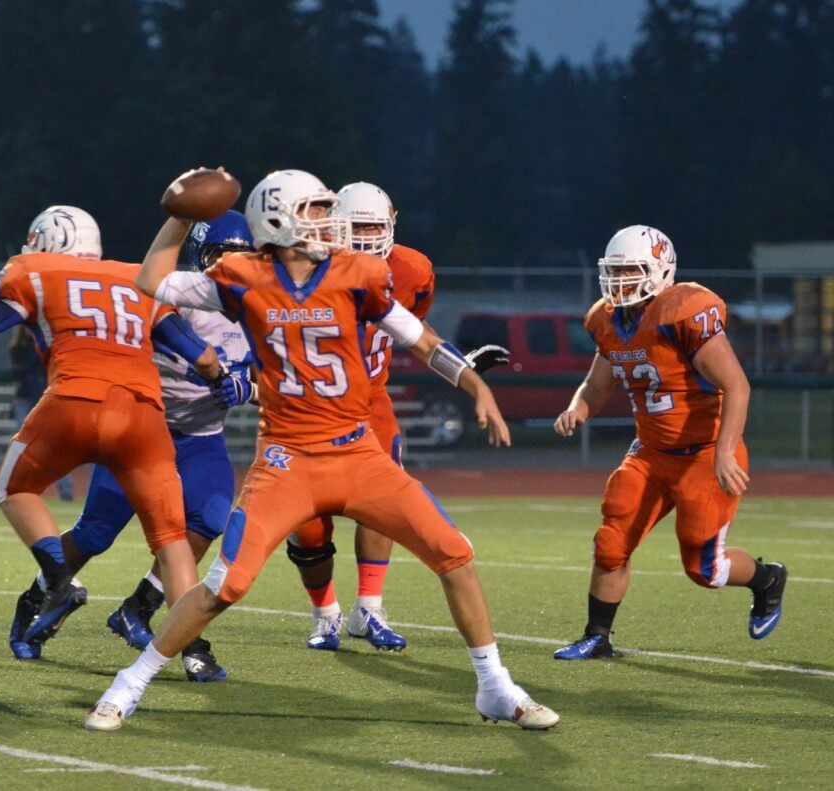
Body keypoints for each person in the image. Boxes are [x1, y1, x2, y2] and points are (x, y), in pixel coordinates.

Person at [85, 168, 559, 731]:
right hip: (288, 460)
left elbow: (422, 340)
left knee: (454, 553)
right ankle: (129, 682)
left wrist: (473, 382)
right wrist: (181, 214)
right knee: (224, 586)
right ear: (280, 219)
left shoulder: (360, 273)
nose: (328, 222)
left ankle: (495, 687)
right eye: (315, 210)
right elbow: (153, 280)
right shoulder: (242, 276)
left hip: (358, 453)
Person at [0, 205, 219, 643]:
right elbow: (203, 356)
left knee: (13, 488)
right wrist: (225, 380)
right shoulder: (139, 278)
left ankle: (59, 582)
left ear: (48, 240)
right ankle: (191, 645)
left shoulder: (34, 270)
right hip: (143, 415)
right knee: (171, 537)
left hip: (74, 401)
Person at [8, 211, 256, 684]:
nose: (231, 267)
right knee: (97, 532)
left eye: (242, 257)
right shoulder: (174, 294)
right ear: (200, 258)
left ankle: (146, 614)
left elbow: (283, 378)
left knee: (207, 520)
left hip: (201, 438)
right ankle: (39, 595)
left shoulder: (265, 307)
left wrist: (251, 389)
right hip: (145, 431)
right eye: (222, 256)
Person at [552, 225, 787, 660]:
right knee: (611, 542)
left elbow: (737, 386)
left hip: (703, 452)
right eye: (615, 271)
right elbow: (596, 385)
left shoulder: (683, 312)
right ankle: (597, 636)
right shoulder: (606, 320)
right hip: (650, 453)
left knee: (706, 570)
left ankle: (767, 579)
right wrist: (578, 408)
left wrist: (722, 450)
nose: (619, 282)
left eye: (632, 271)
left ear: (660, 272)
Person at [9, 325, 73, 501]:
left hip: (45, 397)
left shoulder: (48, 343)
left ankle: (65, 490)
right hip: (28, 396)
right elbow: (19, 372)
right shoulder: (20, 345)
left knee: (54, 447)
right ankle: (19, 489)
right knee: (22, 446)